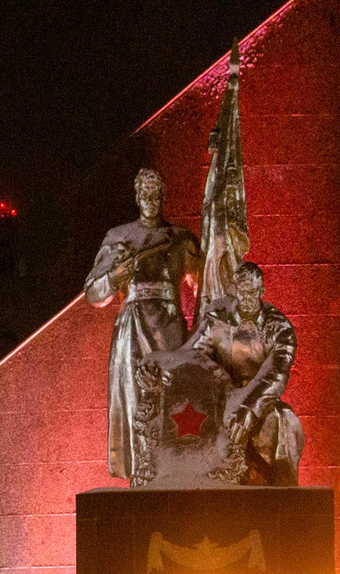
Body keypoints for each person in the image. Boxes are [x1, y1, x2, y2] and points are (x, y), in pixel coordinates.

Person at [85, 168, 202, 481]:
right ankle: (142, 476)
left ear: (164, 198)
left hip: (170, 329)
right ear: (137, 198)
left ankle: (176, 472)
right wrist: (114, 277)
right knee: (138, 401)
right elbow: (94, 293)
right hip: (133, 331)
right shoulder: (119, 237)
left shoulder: (180, 239)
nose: (151, 200)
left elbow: (206, 287)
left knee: (175, 402)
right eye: (145, 194)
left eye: (157, 194)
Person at [187, 260, 303, 486]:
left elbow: (277, 374)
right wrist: (219, 377)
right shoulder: (217, 321)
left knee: (284, 421)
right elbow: (195, 355)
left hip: (260, 401)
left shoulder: (279, 328)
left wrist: (249, 408)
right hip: (219, 397)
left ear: (262, 291)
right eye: (242, 293)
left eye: (253, 292)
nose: (247, 298)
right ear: (234, 291)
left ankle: (284, 490)